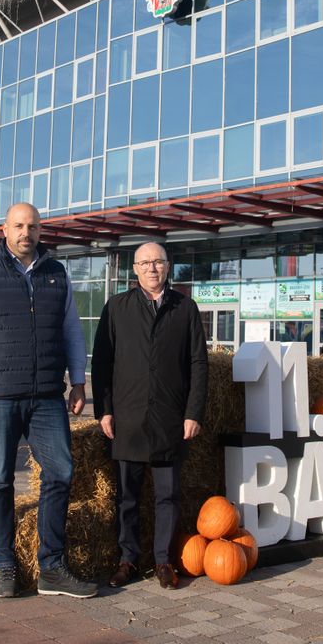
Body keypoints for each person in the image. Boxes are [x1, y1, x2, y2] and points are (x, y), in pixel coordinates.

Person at [0, 202, 97, 600]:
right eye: (18, 225)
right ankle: (5, 564)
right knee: (0, 480)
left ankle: (51, 567)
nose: (25, 233)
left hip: (47, 396)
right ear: (4, 229)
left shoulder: (56, 273)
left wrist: (79, 382)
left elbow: (71, 331)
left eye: (32, 226)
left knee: (61, 472)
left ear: (39, 230)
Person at [92, 242, 208, 590]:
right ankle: (127, 560)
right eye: (144, 263)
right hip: (127, 418)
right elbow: (101, 363)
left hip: (170, 418)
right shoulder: (116, 308)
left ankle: (162, 561)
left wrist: (193, 412)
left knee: (168, 495)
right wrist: (105, 409)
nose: (151, 268)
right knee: (127, 496)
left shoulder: (185, 308)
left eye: (157, 262)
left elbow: (198, 364)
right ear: (135, 269)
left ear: (168, 266)